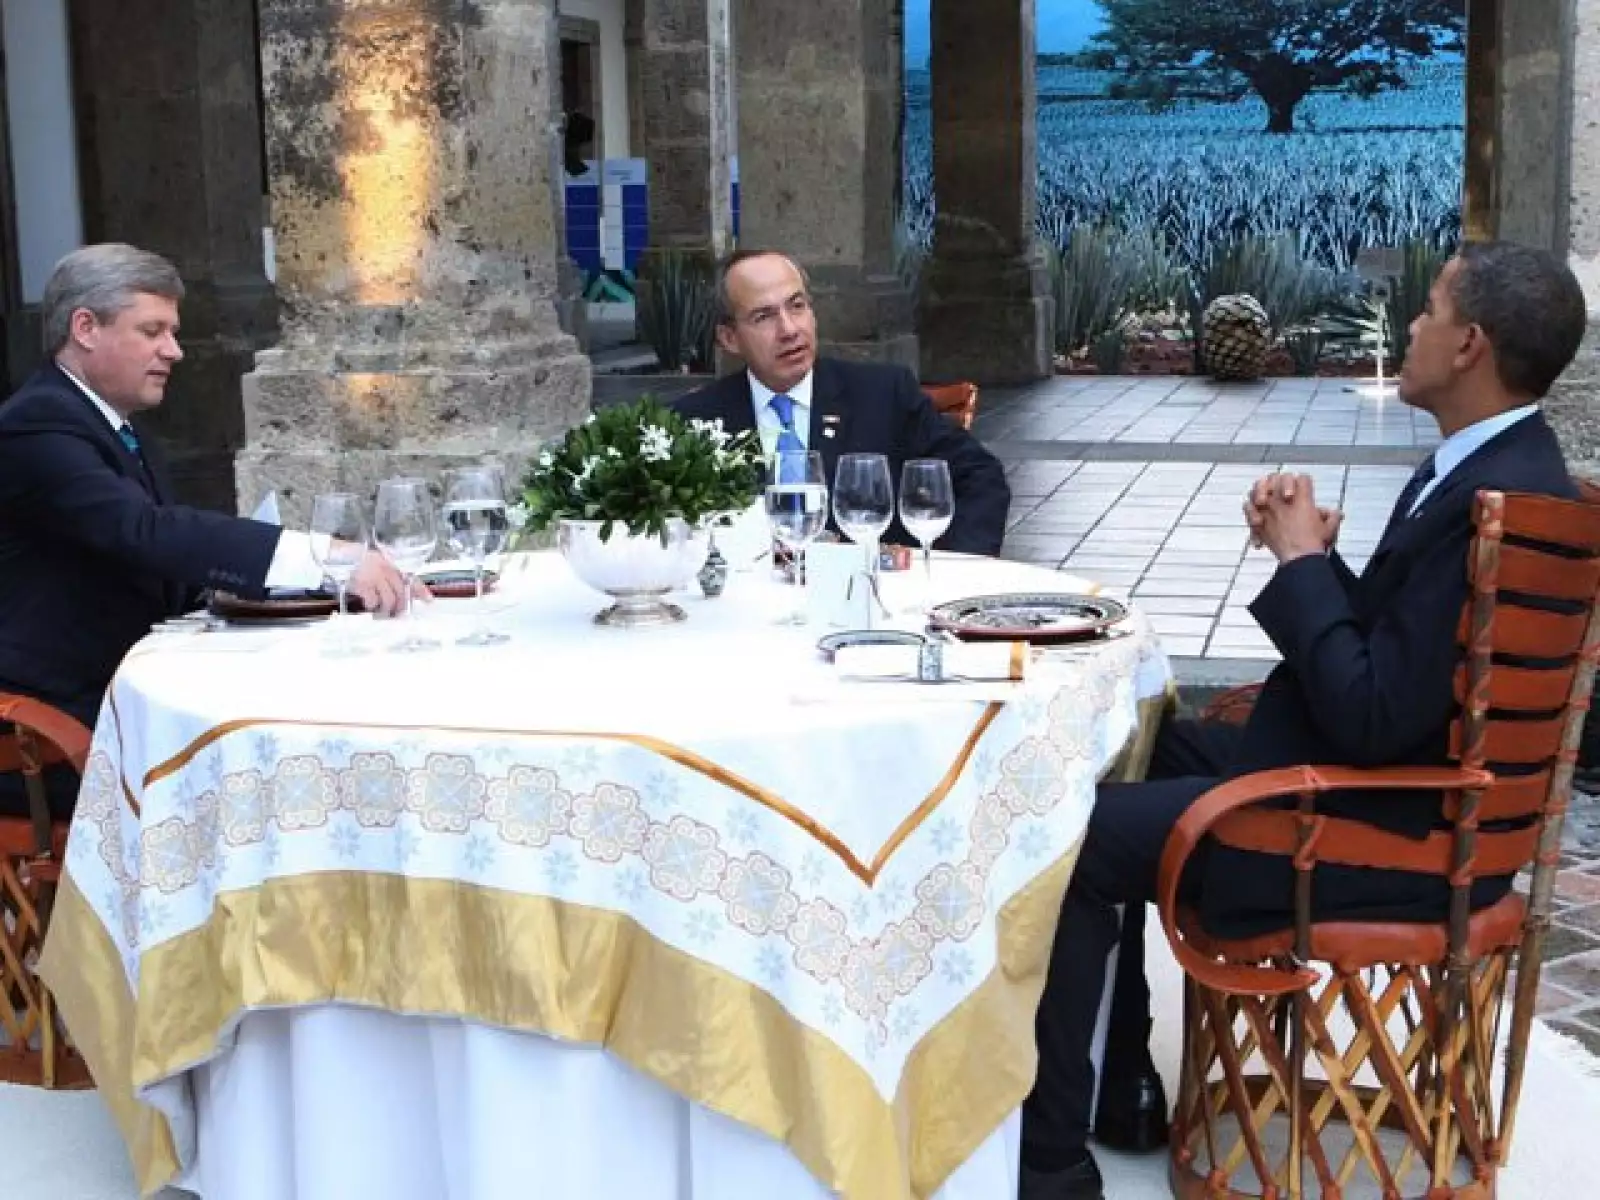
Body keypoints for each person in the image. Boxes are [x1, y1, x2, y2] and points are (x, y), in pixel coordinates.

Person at [1020, 240, 1588, 1200]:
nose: (1413, 323)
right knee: (1135, 747)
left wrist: (1301, 565)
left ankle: (1049, 1167)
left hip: (1392, 833)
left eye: (1430, 308)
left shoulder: (1493, 493)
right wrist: (1322, 565)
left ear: (1470, 347)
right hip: (1413, 801)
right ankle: (1123, 1087)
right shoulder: (1504, 470)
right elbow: (1415, 673)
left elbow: (1371, 717)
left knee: (1075, 836)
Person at [0, 243, 412, 818]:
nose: (173, 351)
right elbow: (143, 532)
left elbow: (163, 567)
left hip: (127, 704)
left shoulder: (113, 423)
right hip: (57, 741)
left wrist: (300, 595)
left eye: (172, 332)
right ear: (86, 328)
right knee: (285, 778)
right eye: (152, 331)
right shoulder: (38, 423)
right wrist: (322, 557)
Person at [672, 249, 1010, 555]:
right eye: (764, 317)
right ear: (729, 338)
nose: (789, 329)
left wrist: (951, 569)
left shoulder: (884, 394)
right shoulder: (695, 421)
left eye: (797, 306)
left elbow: (981, 477)